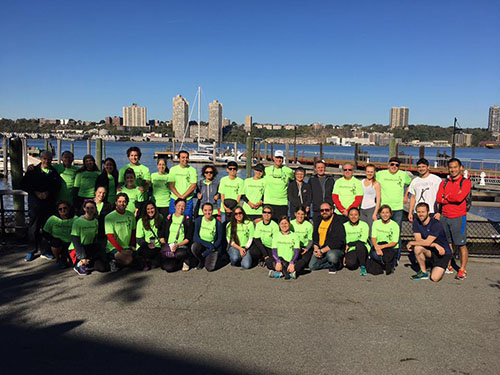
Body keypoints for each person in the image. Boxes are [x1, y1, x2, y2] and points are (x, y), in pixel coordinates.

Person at [21, 150, 62, 261]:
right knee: (33, 227)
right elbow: (23, 184)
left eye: (49, 159)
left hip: (48, 204)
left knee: (46, 228)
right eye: (44, 159)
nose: (46, 161)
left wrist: (48, 192)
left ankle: (45, 250)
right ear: (40, 159)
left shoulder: (53, 172)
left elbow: (57, 186)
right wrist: (36, 192)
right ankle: (31, 250)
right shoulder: (33, 170)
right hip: (35, 204)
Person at [436, 158, 471, 280]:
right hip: (444, 216)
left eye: (455, 167)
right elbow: (439, 198)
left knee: (461, 244)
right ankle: (449, 265)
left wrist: (446, 197)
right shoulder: (444, 183)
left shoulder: (465, 182)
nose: (453, 170)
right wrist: (450, 197)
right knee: (448, 243)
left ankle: (462, 269)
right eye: (451, 167)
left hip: (458, 217)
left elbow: (460, 198)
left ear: (461, 168)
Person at [376, 157, 411, 261]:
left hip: (398, 208)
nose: (394, 166)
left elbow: (411, 184)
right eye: (392, 164)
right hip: (384, 208)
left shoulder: (403, 175)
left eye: (397, 165)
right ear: (388, 165)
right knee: (382, 231)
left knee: (396, 232)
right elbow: (371, 180)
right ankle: (381, 255)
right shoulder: (380, 174)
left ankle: (396, 256)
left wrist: (406, 195)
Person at [407, 203, 452, 282]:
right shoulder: (416, 222)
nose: (420, 214)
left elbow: (427, 242)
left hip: (443, 252)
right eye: (418, 212)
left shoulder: (436, 224)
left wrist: (411, 242)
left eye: (423, 212)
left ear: (428, 212)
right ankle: (423, 272)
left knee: (434, 278)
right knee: (418, 248)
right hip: (431, 250)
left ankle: (443, 266)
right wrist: (434, 244)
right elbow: (419, 241)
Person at [69, 200, 107, 275]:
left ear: (95, 209)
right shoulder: (78, 222)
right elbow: (75, 240)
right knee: (85, 262)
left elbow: (95, 238)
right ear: (84, 208)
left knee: (103, 268)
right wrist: (82, 256)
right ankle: (79, 264)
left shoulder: (95, 221)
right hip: (78, 248)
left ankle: (88, 262)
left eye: (92, 208)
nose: (90, 210)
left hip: (90, 247)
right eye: (88, 208)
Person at [309, 202, 346, 274]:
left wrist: (322, 251)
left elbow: (339, 241)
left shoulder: (337, 221)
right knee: (312, 266)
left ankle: (337, 263)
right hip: (321, 248)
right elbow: (315, 236)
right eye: (322, 210)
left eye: (327, 210)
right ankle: (330, 265)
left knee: (331, 256)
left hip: (334, 249)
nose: (324, 212)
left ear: (332, 210)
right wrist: (316, 248)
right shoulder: (318, 220)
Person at [104, 193, 137, 271]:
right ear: (116, 202)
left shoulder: (131, 215)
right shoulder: (109, 217)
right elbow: (110, 237)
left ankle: (119, 263)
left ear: (127, 203)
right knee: (128, 260)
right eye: (120, 201)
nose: (122, 204)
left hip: (127, 246)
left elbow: (133, 232)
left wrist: (131, 246)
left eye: (124, 201)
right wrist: (121, 250)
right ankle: (112, 260)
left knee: (136, 257)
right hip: (114, 248)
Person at [161, 198, 193, 272]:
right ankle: (178, 262)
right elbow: (162, 233)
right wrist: (164, 245)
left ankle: (185, 260)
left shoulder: (188, 220)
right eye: (179, 205)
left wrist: (177, 245)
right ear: (175, 206)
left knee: (180, 253)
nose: (181, 208)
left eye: (183, 206)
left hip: (180, 246)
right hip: (169, 246)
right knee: (168, 268)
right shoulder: (168, 218)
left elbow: (188, 238)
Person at [407, 158, 442, 223]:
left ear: (428, 167)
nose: (421, 169)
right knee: (418, 232)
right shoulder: (415, 181)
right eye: (419, 167)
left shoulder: (436, 180)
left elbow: (441, 197)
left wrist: (439, 212)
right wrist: (410, 212)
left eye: (423, 167)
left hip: (431, 211)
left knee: (432, 232)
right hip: (418, 212)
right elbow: (413, 197)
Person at [42, 201, 76, 268]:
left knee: (72, 263)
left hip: (70, 242)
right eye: (60, 209)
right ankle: (58, 258)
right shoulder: (53, 219)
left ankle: (65, 257)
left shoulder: (75, 219)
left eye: (65, 208)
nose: (63, 210)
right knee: (55, 242)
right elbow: (45, 231)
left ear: (69, 208)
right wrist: (50, 240)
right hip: (57, 243)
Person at [191, 203, 224, 272]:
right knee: (194, 247)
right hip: (203, 245)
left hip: (213, 247)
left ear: (212, 211)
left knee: (210, 268)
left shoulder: (218, 223)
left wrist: (211, 248)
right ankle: (201, 260)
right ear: (202, 211)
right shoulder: (198, 221)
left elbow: (219, 239)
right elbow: (196, 237)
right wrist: (208, 245)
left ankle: (207, 257)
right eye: (205, 210)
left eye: (210, 210)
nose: (207, 212)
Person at [263, 150, 294, 221]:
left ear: (283, 159)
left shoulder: (288, 171)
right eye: (277, 157)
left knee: (282, 225)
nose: (279, 160)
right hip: (268, 202)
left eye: (280, 158)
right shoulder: (266, 170)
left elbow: (293, 182)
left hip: (282, 203)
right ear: (273, 158)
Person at [370, 205, 399, 275]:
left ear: (390, 214)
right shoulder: (376, 223)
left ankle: (388, 262)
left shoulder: (395, 225)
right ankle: (386, 263)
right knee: (374, 254)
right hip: (379, 245)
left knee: (385, 254)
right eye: (383, 212)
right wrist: (377, 247)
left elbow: (394, 242)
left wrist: (381, 247)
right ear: (379, 214)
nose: (385, 215)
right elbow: (373, 237)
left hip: (390, 247)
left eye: (387, 212)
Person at [136, 201, 164, 271]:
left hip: (157, 245)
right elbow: (139, 239)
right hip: (145, 246)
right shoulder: (141, 221)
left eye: (152, 208)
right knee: (148, 253)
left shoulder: (160, 217)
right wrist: (147, 244)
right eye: (148, 209)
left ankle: (149, 261)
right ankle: (144, 261)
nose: (150, 211)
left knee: (156, 263)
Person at [168, 150, 197, 217]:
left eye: (187, 157)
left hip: (187, 200)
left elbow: (193, 186)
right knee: (172, 219)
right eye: (183, 157)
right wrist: (179, 196)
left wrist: (183, 197)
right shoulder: (173, 169)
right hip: (175, 199)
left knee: (187, 221)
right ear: (179, 158)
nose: (185, 159)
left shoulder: (192, 170)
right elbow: (171, 185)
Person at [343, 207, 370, 276]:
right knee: (350, 264)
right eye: (351, 215)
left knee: (359, 245)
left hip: (362, 248)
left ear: (359, 216)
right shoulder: (344, 226)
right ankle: (359, 260)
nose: (353, 217)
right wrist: (344, 255)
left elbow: (362, 240)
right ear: (348, 216)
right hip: (351, 249)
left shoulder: (364, 225)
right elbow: (342, 240)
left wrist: (349, 244)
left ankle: (363, 266)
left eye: (356, 215)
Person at [309, 160, 334, 225]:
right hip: (317, 209)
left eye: (322, 167)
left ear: (324, 168)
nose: (320, 169)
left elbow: (334, 193)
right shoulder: (312, 180)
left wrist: (332, 205)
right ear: (315, 169)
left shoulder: (330, 179)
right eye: (318, 168)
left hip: (328, 209)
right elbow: (309, 194)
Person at [290, 206, 314, 276]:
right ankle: (292, 269)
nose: (300, 216)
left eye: (302, 214)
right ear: (295, 214)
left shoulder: (309, 225)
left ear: (305, 215)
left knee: (305, 260)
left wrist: (307, 249)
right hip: (294, 246)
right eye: (298, 214)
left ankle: (294, 269)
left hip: (305, 247)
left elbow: (310, 239)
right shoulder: (291, 224)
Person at [360, 164, 381, 231]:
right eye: (368, 171)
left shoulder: (376, 184)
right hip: (361, 209)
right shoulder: (361, 182)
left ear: (374, 172)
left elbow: (378, 200)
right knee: (363, 230)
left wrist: (375, 213)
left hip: (371, 209)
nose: (369, 173)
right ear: (365, 172)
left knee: (371, 231)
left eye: (371, 172)